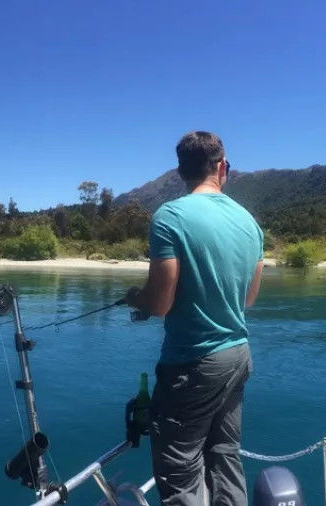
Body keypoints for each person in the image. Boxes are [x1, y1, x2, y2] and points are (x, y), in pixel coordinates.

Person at [125, 130, 265, 506]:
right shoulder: (249, 222)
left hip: (192, 363)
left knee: (182, 473)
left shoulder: (170, 216)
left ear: (180, 171)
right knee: (225, 456)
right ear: (221, 167)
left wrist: (137, 298)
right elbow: (248, 299)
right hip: (237, 355)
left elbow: (160, 304)